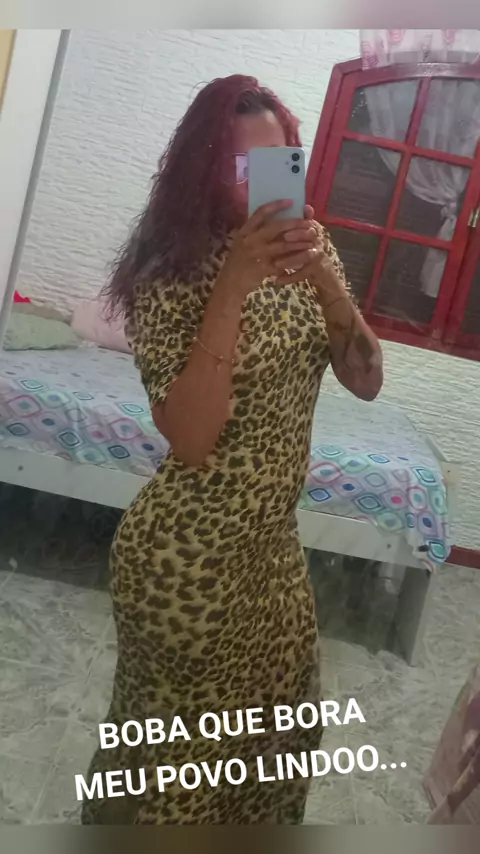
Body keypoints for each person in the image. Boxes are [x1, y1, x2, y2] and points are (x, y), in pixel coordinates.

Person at [81, 74, 383, 825]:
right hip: (188, 562)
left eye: (281, 161)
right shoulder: (170, 270)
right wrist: (234, 286)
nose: (264, 181)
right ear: (205, 168)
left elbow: (365, 380)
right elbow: (189, 438)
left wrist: (325, 278)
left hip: (272, 553)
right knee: (179, 775)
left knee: (281, 742)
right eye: (244, 165)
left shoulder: (312, 249)